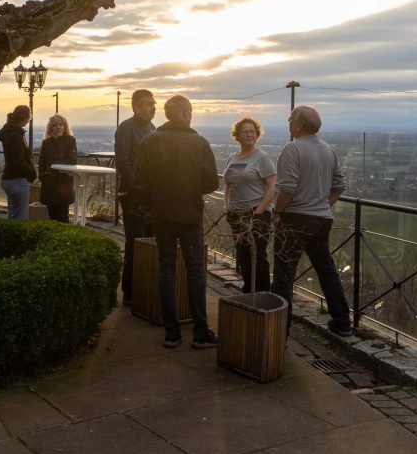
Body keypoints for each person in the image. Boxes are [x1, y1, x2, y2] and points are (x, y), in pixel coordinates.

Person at [135, 94, 219, 349]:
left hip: (161, 214)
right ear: (184, 114)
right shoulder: (199, 143)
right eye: (190, 112)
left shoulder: (150, 141)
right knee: (195, 271)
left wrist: (153, 203)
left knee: (166, 270)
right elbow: (212, 183)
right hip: (190, 215)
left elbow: (140, 182)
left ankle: (172, 333)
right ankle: (200, 331)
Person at [271, 105, 351, 337]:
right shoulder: (328, 150)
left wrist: (277, 211)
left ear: (297, 125)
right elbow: (339, 186)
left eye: (290, 119)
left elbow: (287, 187)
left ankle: (279, 332)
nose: (288, 122)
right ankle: (342, 322)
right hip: (321, 220)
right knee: (326, 270)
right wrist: (323, 205)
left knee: (283, 277)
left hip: (295, 220)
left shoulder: (292, 149)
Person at [223, 116, 276, 293]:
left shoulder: (262, 157)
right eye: (245, 131)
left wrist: (258, 212)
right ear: (237, 135)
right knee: (243, 254)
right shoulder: (232, 158)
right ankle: (248, 292)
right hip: (236, 215)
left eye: (252, 131)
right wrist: (227, 206)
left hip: (256, 214)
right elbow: (229, 184)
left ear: (257, 134)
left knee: (258, 256)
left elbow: (271, 188)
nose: (249, 134)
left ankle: (262, 295)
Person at [114, 89, 156, 306]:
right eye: (148, 103)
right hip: (131, 194)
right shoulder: (126, 128)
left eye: (154, 103)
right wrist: (138, 187)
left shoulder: (152, 128)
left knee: (149, 241)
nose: (153, 107)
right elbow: (122, 161)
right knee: (135, 242)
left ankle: (145, 288)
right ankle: (130, 292)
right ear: (136, 107)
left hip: (150, 196)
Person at [0, 105, 37, 219]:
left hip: (9, 179)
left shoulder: (10, 132)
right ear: (25, 118)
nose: (29, 120)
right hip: (17, 181)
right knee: (19, 219)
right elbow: (18, 161)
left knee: (13, 215)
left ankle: (9, 236)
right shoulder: (16, 136)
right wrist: (31, 172)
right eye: (29, 117)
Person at [38, 114, 78, 222]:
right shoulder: (46, 142)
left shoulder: (70, 140)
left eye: (61, 124)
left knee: (63, 218)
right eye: (55, 125)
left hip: (63, 185)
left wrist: (55, 165)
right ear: (50, 127)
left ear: (65, 126)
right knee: (52, 217)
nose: (58, 127)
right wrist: (43, 176)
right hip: (49, 184)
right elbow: (41, 162)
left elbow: (72, 160)